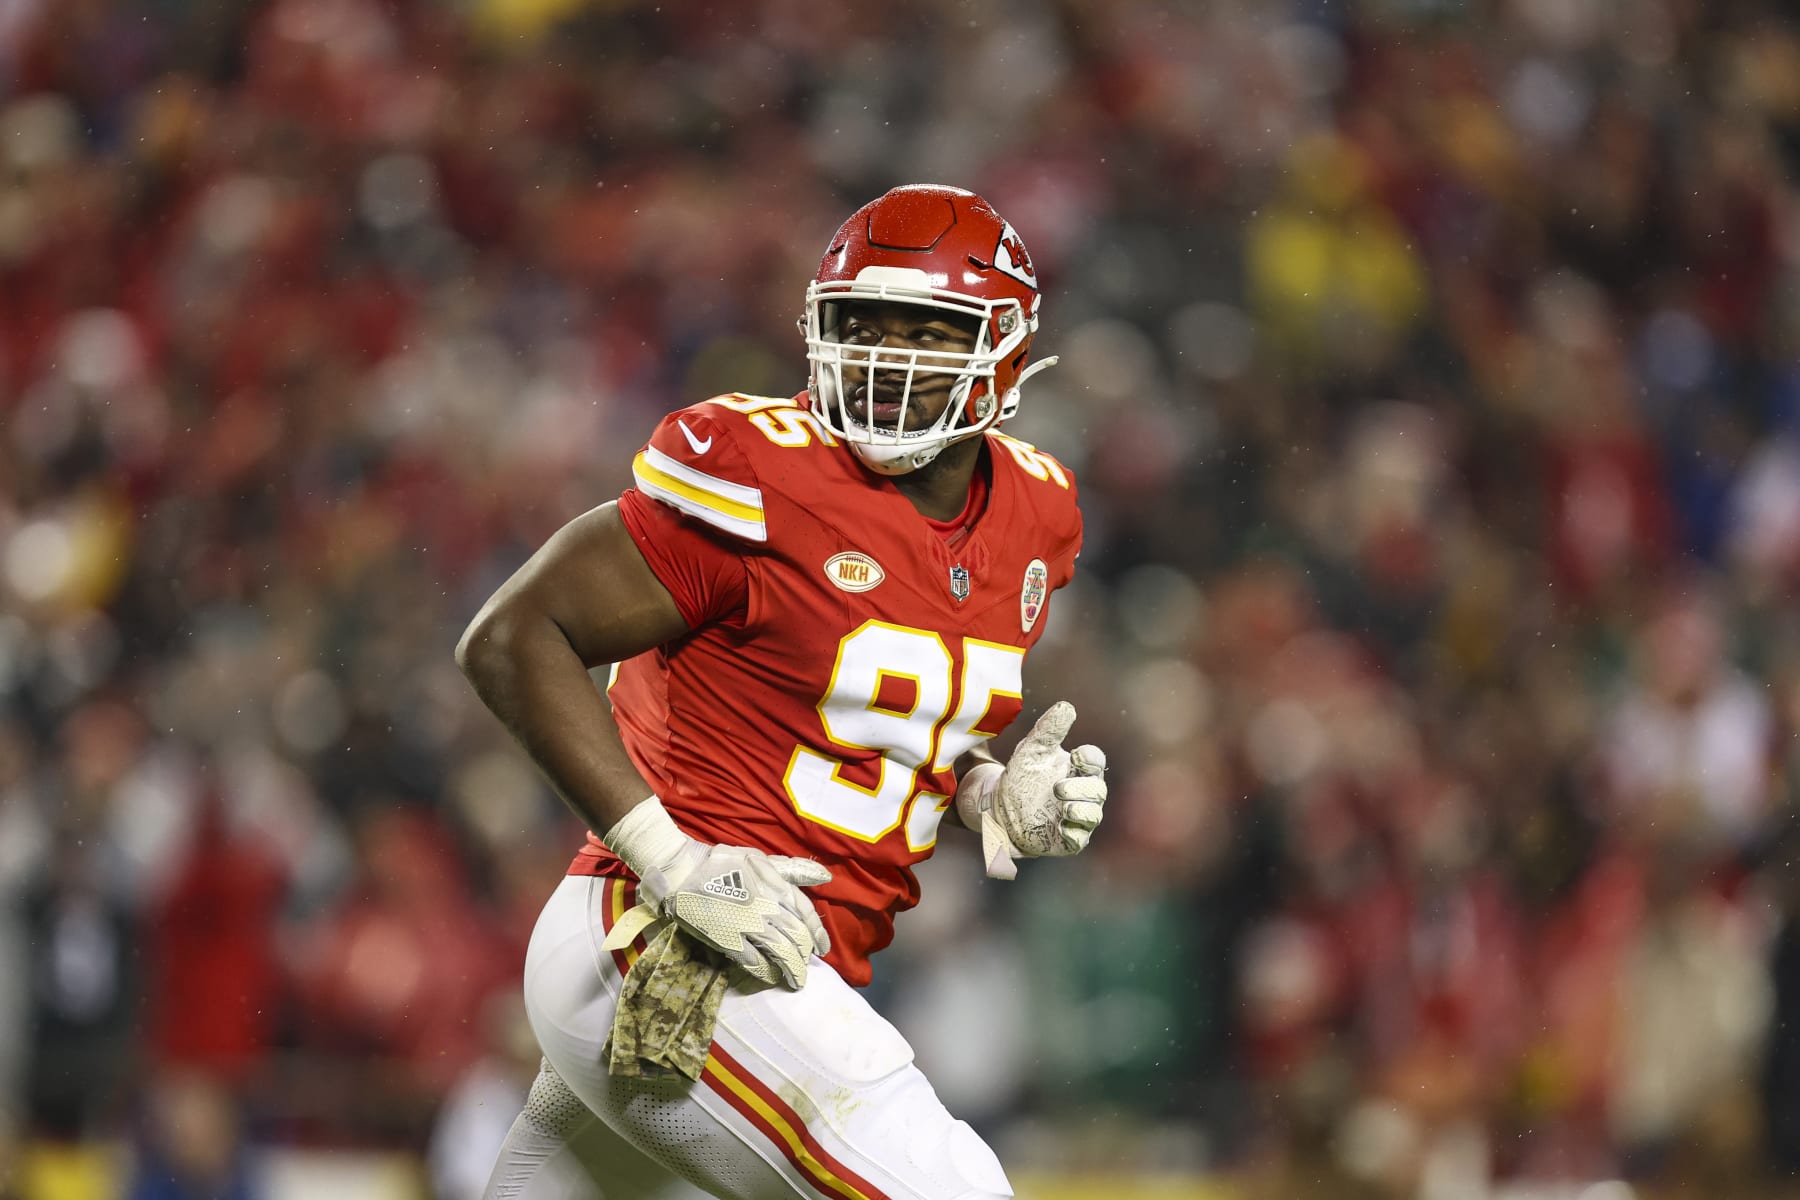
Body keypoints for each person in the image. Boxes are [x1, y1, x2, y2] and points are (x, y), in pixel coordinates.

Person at [457, 183, 1109, 1200]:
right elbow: (512, 637)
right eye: (864, 326)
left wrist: (981, 791)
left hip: (796, 965)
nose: (887, 360)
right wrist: (670, 860)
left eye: (927, 333)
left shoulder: (1036, 513)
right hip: (662, 933)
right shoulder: (763, 474)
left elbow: (871, 722)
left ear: (1006, 350)